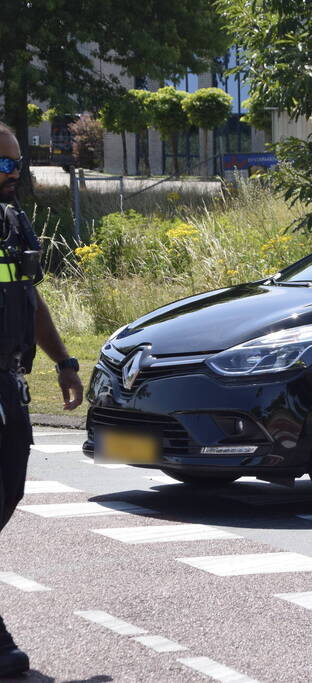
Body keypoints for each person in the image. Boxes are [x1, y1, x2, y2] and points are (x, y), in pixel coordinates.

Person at [0, 122, 83, 677]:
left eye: (14, 164)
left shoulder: (12, 223)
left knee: (7, 495)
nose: (9, 175)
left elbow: (28, 298)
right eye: (0, 165)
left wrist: (65, 362)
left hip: (9, 384)